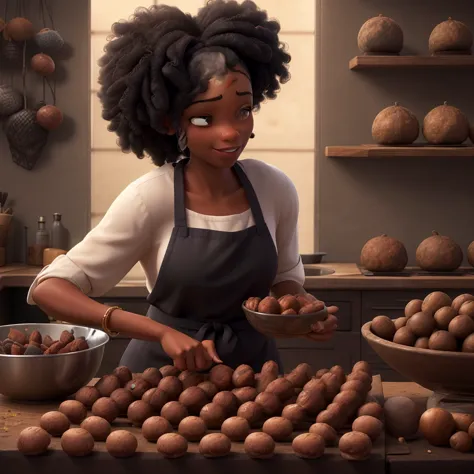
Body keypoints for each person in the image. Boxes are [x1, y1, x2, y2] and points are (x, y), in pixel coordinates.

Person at [28, 0, 338, 374]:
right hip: (162, 381)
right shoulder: (150, 197)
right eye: (205, 117)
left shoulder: (274, 187)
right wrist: (158, 332)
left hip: (256, 380)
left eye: (242, 110)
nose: (230, 132)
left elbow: (285, 280)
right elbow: (49, 288)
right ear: (171, 123)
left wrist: (305, 313)